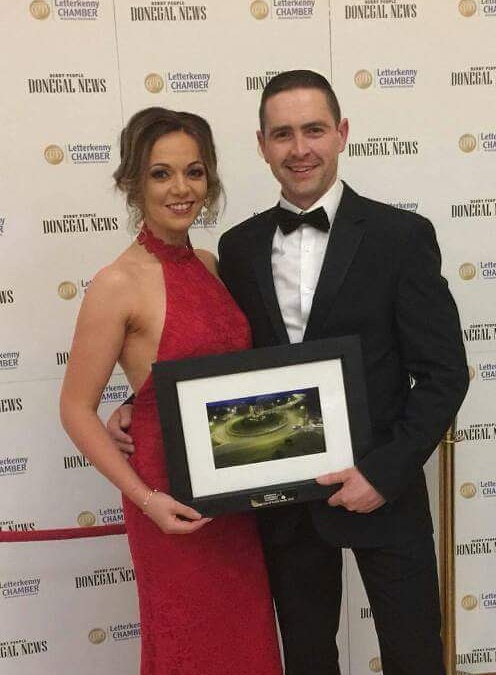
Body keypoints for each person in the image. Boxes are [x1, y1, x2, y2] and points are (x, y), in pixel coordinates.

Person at [108, 72, 469, 675]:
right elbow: (223, 360)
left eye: (314, 130)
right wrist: (140, 403)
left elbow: (444, 374)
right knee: (305, 658)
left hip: (385, 491)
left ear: (342, 133)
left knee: (414, 656)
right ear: (262, 144)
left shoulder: (401, 237)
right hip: (284, 502)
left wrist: (382, 474)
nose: (299, 149)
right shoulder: (238, 248)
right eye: (282, 134)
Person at [60, 107, 282, 675]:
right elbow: (75, 409)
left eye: (194, 171)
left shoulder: (208, 263)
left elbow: (203, 369)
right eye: (161, 173)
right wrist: (146, 499)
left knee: (246, 642)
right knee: (190, 642)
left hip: (233, 494)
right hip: (168, 502)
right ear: (133, 182)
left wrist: (135, 401)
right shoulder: (116, 283)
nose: (181, 189)